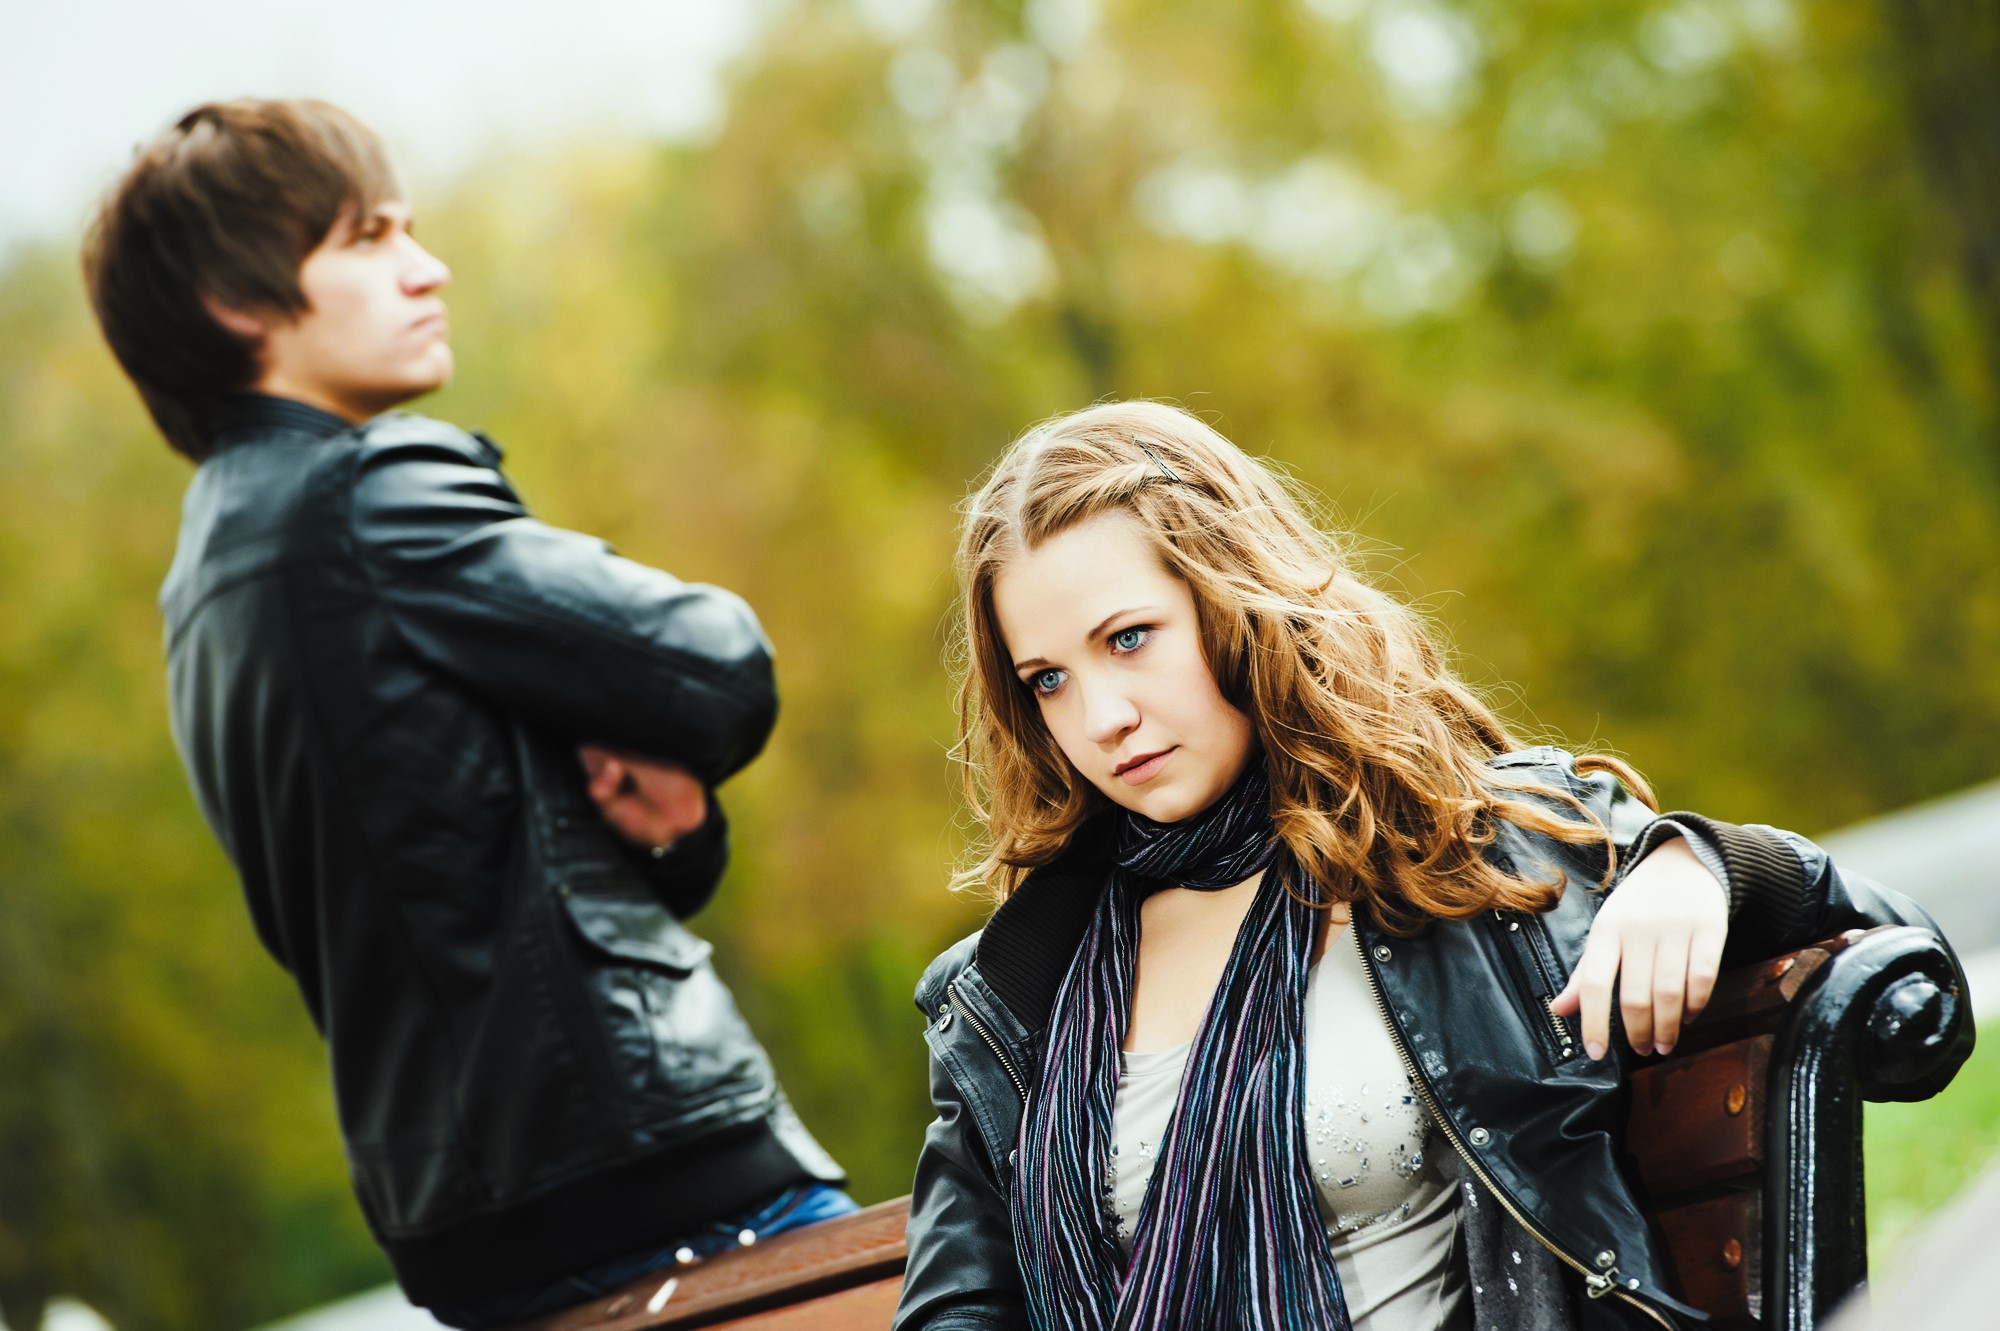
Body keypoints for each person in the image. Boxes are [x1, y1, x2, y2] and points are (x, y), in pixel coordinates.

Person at [894, 401, 1971, 1331]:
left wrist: (1703, 867)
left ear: (1233, 603)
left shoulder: (1454, 849)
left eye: (1127, 638)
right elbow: (957, 1303)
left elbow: (1906, 955)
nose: (1100, 715)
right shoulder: (1016, 988)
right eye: (1047, 680)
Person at [80, 99, 852, 1328]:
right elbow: (715, 667)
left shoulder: (202, 589)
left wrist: (666, 832)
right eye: (371, 236)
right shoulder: (367, 492)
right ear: (238, 302)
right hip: (661, 1187)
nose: (424, 265)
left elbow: (450, 889)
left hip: (473, 1236)